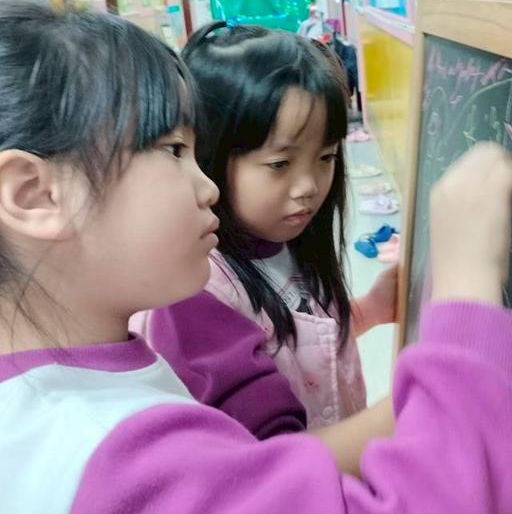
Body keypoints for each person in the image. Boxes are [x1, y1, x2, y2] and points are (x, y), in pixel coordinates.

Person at [0, 0, 512, 514]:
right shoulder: (120, 475)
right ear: (36, 194)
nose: (206, 186)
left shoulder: (59, 406)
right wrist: (466, 295)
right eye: (173, 151)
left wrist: (365, 315)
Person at [136, 22, 395, 431]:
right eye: (280, 164)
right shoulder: (199, 295)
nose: (309, 186)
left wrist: (370, 309)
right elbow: (272, 448)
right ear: (210, 157)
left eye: (326, 157)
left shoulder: (290, 241)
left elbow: (299, 346)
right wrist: (414, 406)